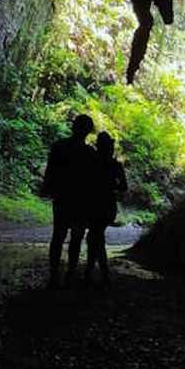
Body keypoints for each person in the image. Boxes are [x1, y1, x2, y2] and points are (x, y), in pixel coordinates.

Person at [40, 114, 97, 289]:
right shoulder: (89, 153)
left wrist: (47, 188)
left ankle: (54, 274)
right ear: (88, 131)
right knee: (76, 237)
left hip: (63, 197)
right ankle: (69, 273)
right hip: (80, 200)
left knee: (58, 235)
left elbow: (51, 171)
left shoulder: (59, 146)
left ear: (73, 127)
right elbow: (92, 181)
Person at [84, 132, 127, 287]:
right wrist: (110, 185)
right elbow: (123, 187)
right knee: (96, 236)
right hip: (107, 205)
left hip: (95, 204)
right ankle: (100, 272)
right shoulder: (115, 165)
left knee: (94, 237)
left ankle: (95, 271)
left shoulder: (91, 162)